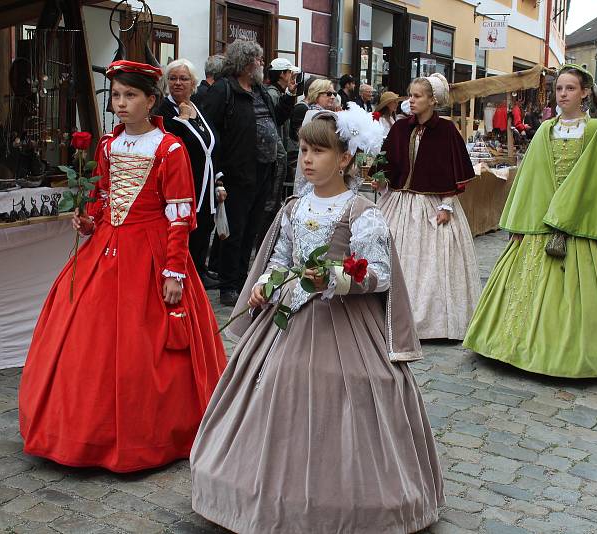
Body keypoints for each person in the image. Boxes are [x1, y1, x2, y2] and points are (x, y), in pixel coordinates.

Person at [190, 109, 443, 533]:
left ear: (344, 159)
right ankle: (263, 488)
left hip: (344, 323)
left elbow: (381, 272)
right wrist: (266, 284)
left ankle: (346, 497)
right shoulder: (293, 207)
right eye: (304, 150)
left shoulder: (362, 212)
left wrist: (341, 279)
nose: (306, 159)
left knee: (353, 391)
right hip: (290, 318)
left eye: (319, 151)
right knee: (274, 383)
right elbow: (279, 258)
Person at [18, 60, 227, 472]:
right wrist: (89, 218)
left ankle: (151, 433)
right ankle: (79, 429)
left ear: (152, 101)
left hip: (150, 252)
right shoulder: (108, 146)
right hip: (108, 249)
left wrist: (173, 272)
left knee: (142, 342)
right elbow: (104, 196)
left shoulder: (170, 150)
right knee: (85, 336)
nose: (122, 103)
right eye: (116, 95)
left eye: (131, 95)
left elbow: (180, 215)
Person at [462, 64, 597, 378]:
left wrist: (566, 212)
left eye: (570, 88)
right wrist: (523, 223)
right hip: (541, 223)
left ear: (585, 93)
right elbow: (530, 180)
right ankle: (514, 346)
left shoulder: (596, 131)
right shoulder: (546, 130)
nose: (563, 94)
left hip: (579, 223)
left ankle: (579, 352)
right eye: (560, 88)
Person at [371, 73, 481, 340]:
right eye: (411, 95)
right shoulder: (400, 128)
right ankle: (385, 318)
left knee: (432, 265)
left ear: (433, 100)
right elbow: (389, 163)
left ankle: (433, 323)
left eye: (417, 96)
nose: (412, 100)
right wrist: (381, 180)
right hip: (399, 203)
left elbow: (451, 172)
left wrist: (447, 206)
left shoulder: (446, 131)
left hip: (432, 204)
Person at [200, 40, 296, 306]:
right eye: (258, 59)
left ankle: (243, 279)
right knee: (235, 231)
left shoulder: (258, 90)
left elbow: (275, 119)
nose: (261, 64)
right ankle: (229, 285)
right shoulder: (224, 90)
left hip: (264, 170)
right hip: (237, 171)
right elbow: (211, 131)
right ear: (245, 62)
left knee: (252, 229)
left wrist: (288, 96)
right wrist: (218, 173)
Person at [159, 58, 226, 290]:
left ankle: (200, 269)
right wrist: (183, 119)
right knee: (186, 227)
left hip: (206, 182)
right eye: (173, 78)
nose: (178, 83)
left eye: (183, 78)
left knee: (205, 226)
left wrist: (218, 180)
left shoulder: (197, 106)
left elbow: (212, 142)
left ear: (193, 83)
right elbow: (169, 139)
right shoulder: (164, 110)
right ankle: (185, 270)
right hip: (183, 182)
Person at [266, 57, 301, 228]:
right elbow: (277, 121)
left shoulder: (278, 93)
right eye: (289, 73)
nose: (291, 76)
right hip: (275, 150)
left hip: (279, 148)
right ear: (281, 74)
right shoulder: (273, 94)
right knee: (271, 201)